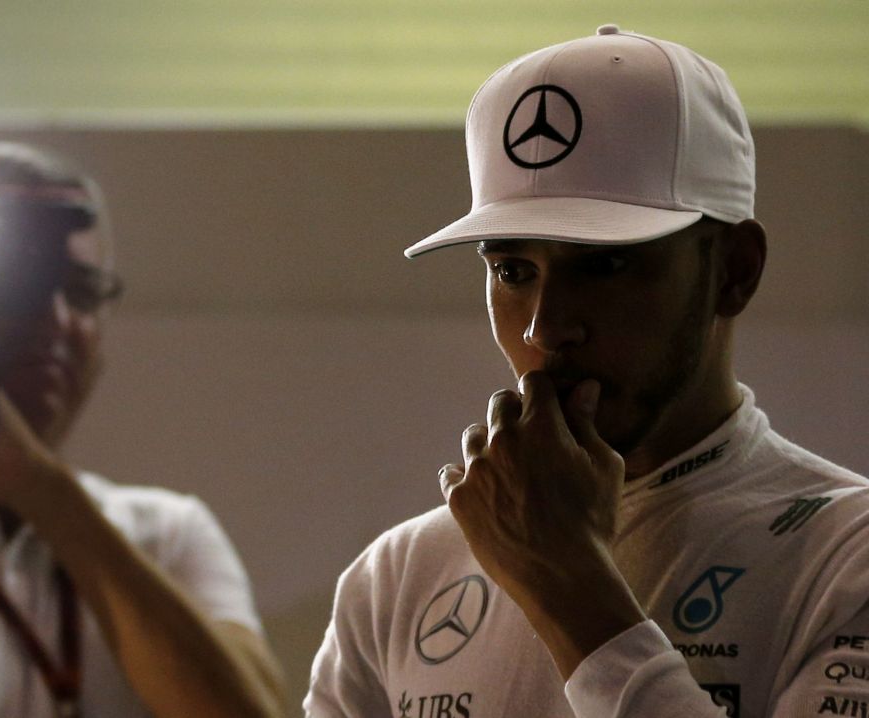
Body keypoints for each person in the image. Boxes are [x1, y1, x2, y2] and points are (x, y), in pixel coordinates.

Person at [305, 24, 869, 718]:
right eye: (513, 270)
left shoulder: (847, 555)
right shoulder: (398, 576)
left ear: (734, 271)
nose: (546, 327)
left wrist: (567, 586)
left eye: (605, 264)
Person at [0, 142, 284, 718]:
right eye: (16, 284)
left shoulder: (165, 534)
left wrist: (42, 489)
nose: (55, 320)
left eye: (82, 293)